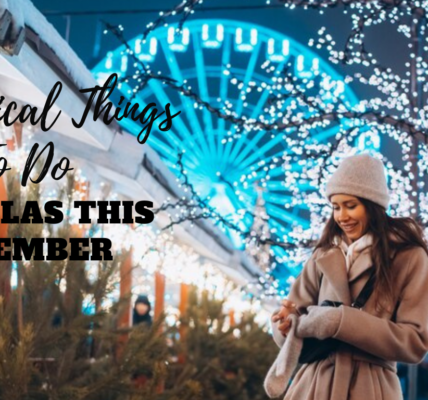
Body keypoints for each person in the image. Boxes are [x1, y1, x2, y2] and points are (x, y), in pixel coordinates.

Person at [265, 153, 428, 400]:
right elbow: (295, 315)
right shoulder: (322, 256)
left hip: (371, 388)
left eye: (351, 206)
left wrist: (341, 322)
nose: (342, 216)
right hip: (312, 385)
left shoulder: (409, 257)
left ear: (373, 205)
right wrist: (285, 324)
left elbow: (415, 342)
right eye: (336, 207)